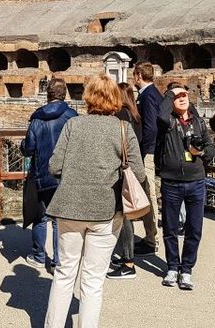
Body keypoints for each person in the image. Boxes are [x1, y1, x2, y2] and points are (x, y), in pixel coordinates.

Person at [45, 75, 144, 328]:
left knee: (64, 273)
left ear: (88, 97)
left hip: (69, 207)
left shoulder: (73, 125)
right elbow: (140, 174)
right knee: (93, 280)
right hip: (107, 210)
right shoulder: (124, 129)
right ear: (115, 100)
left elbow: (54, 166)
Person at [155, 84, 215, 290]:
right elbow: (160, 115)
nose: (182, 98)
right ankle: (172, 267)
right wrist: (171, 92)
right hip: (171, 182)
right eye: (177, 96)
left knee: (194, 228)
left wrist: (202, 153)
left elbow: (211, 147)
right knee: (170, 229)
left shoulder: (198, 122)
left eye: (185, 95)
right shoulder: (168, 121)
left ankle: (187, 268)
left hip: (196, 181)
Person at [21, 78, 77, 270]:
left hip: (42, 174)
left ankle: (38, 256)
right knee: (59, 220)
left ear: (48, 94)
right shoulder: (72, 116)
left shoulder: (37, 117)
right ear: (65, 94)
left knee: (41, 217)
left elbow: (28, 148)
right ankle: (57, 261)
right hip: (65, 174)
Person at [107, 82, 143, 280]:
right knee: (126, 214)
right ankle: (125, 258)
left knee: (124, 216)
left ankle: (128, 262)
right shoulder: (135, 115)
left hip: (122, 172)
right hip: (131, 170)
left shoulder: (121, 116)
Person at [132, 61, 160, 256]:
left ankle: (152, 240)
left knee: (149, 193)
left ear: (138, 76)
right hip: (150, 150)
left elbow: (150, 127)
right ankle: (150, 237)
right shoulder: (151, 94)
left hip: (148, 151)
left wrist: (143, 151)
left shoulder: (148, 96)